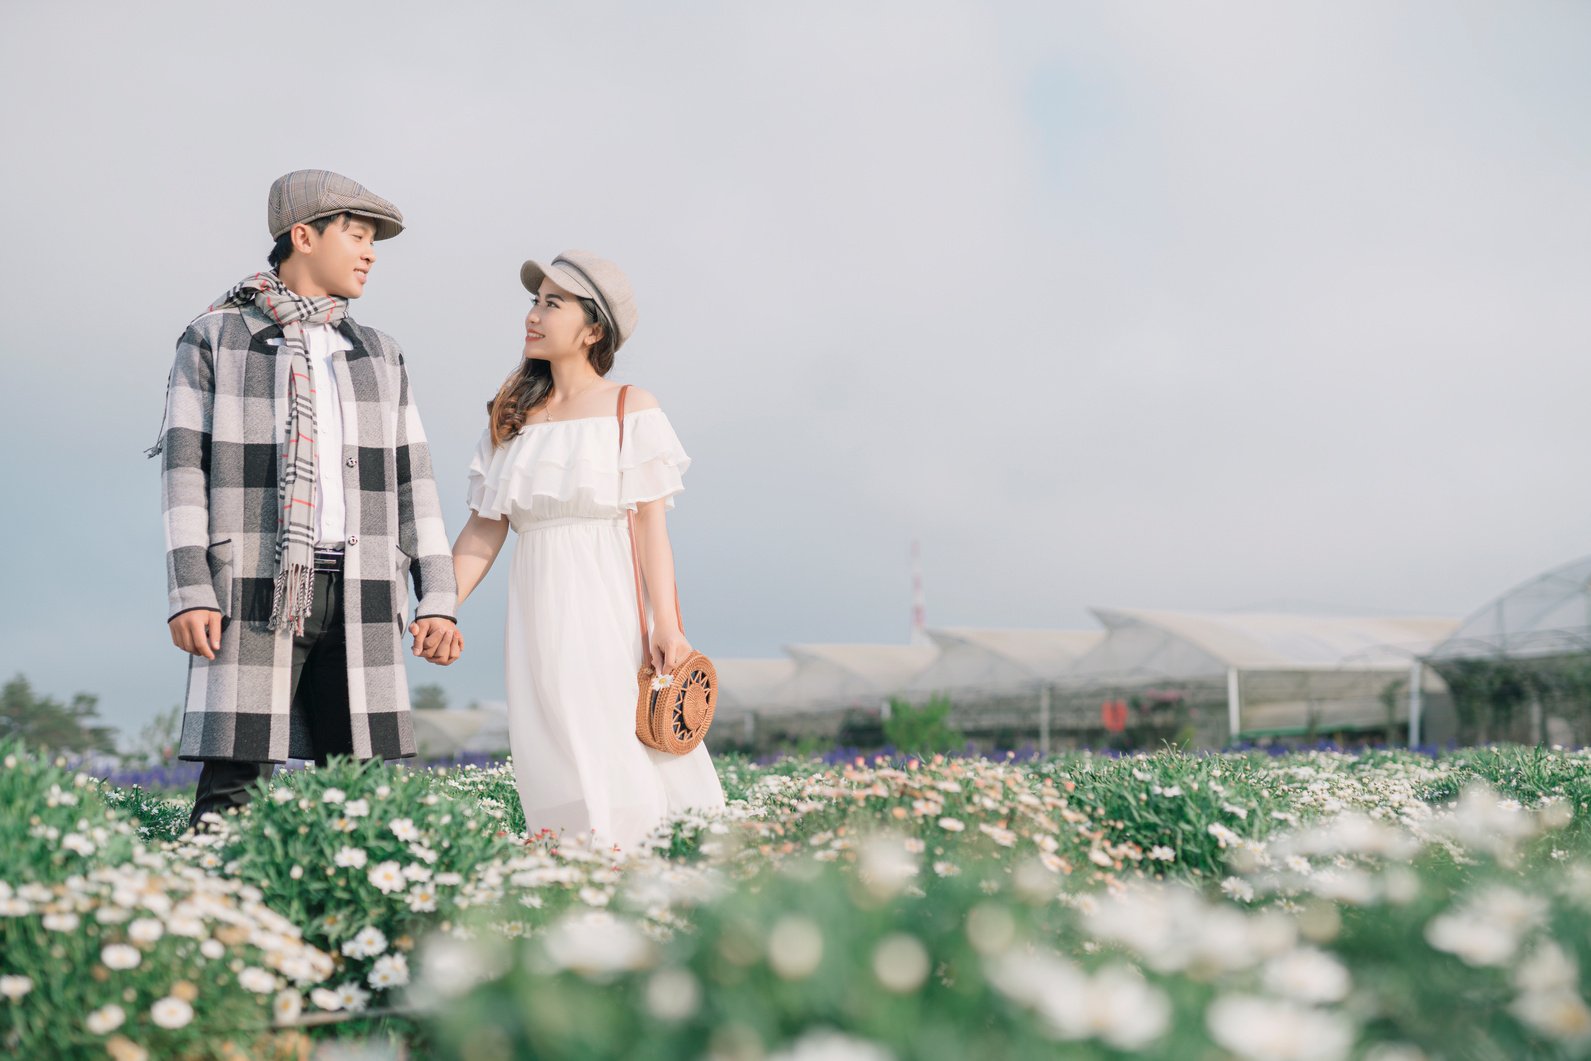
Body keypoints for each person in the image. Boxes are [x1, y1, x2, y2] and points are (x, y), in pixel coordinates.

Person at [152, 169, 462, 832]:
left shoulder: (380, 353)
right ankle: (218, 925)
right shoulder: (214, 338)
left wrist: (437, 595)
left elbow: (416, 480)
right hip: (252, 590)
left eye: (372, 239)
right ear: (303, 236)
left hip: (366, 590)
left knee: (371, 799)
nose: (370, 251)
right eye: (356, 235)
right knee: (231, 789)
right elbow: (183, 471)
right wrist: (191, 590)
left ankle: (360, 934)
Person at [451, 250, 725, 851]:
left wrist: (669, 628)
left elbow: (652, 528)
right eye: (534, 301)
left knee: (612, 736)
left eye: (554, 303)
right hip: (536, 611)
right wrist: (441, 606)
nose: (535, 315)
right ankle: (576, 875)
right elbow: (483, 529)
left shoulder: (632, 407)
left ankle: (649, 874)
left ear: (594, 328)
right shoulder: (512, 417)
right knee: (551, 743)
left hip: (610, 607)